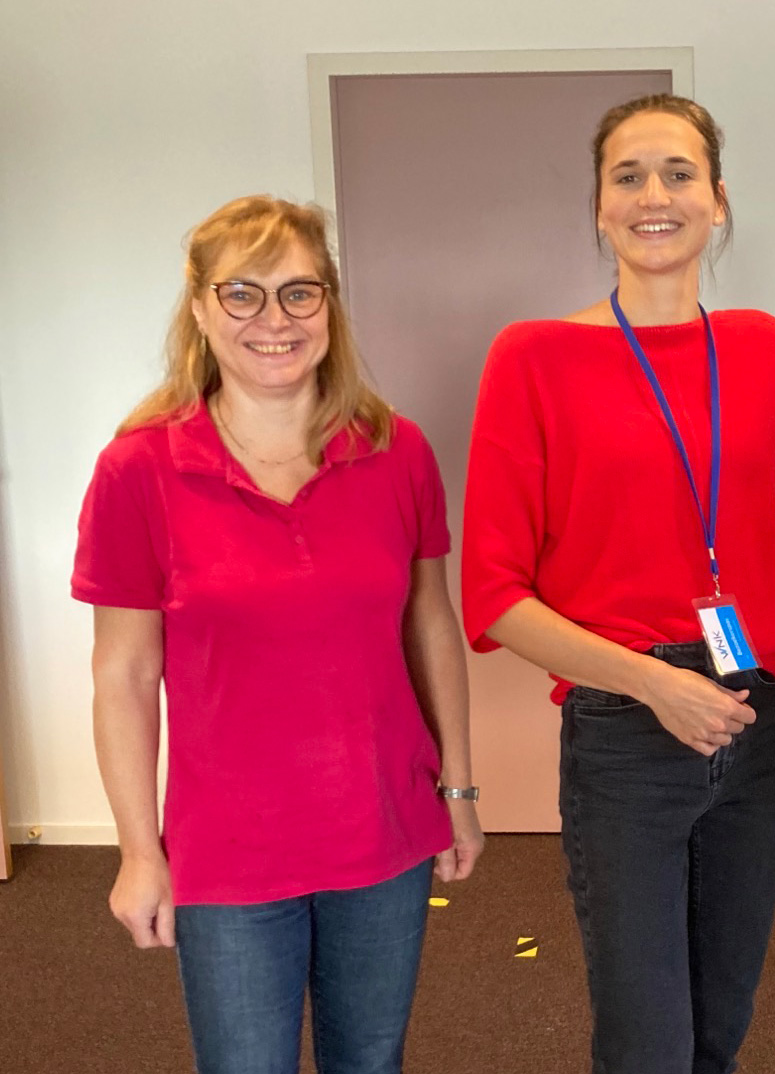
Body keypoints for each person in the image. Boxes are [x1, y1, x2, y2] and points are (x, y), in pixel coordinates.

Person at [461, 94, 775, 1074]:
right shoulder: (533, 358)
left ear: (718, 200)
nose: (654, 194)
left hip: (757, 712)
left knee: (719, 1025)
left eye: (679, 172)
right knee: (647, 1042)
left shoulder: (757, 347)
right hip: (629, 726)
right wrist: (651, 681)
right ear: (598, 206)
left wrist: (760, 533)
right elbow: (494, 597)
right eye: (628, 175)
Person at [72, 195, 483, 1074]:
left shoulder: (395, 449)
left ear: (329, 305)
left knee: (369, 1062)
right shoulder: (138, 469)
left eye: (300, 293)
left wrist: (459, 790)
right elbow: (124, 678)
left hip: (383, 832)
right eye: (243, 294)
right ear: (199, 309)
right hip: (229, 850)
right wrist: (138, 852)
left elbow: (431, 625)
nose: (275, 320)